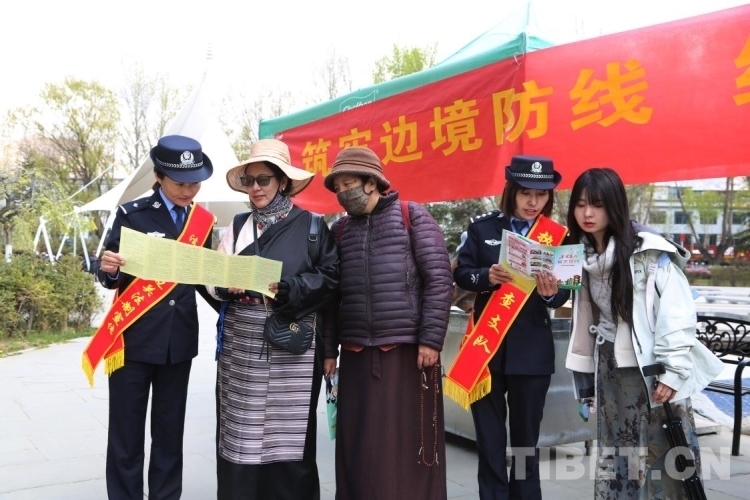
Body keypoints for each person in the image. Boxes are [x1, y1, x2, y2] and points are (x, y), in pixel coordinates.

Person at [564, 167, 723, 499]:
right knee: (618, 453)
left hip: (651, 369)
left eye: (597, 204)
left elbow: (676, 315)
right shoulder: (578, 253)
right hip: (610, 368)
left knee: (663, 456)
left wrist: (673, 372)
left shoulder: (648, 251)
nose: (588, 213)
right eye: (580, 204)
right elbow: (581, 317)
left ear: (615, 205)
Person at [208, 139, 339, 499]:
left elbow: (331, 279)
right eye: (249, 181)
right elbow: (213, 278)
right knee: (240, 432)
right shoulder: (237, 226)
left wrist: (290, 288)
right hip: (241, 347)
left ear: (282, 181)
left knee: (289, 434)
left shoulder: (313, 226)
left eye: (263, 180)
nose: (255, 188)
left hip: (292, 344)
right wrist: (224, 286)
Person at [322, 146, 454, 500]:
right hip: (355, 354)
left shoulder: (412, 216)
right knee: (359, 445)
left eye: (348, 184)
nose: (343, 193)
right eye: (338, 188)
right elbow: (331, 297)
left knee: (409, 444)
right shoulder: (340, 230)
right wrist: (329, 349)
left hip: (407, 353)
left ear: (371, 182)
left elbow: (440, 279)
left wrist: (430, 340)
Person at [90, 135, 218, 499]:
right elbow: (110, 274)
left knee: (169, 432)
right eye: (181, 183)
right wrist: (109, 269)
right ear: (159, 177)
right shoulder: (132, 214)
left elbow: (202, 279)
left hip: (179, 342)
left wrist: (233, 299)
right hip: (133, 340)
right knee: (126, 433)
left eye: (195, 183)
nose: (189, 191)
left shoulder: (202, 221)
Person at [452, 155, 570, 500]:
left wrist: (550, 294)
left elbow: (565, 293)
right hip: (486, 352)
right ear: (511, 191)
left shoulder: (558, 236)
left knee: (525, 445)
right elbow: (461, 274)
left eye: (541, 194)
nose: (533, 202)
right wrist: (485, 276)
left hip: (532, 353)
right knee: (489, 442)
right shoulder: (482, 228)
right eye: (525, 193)